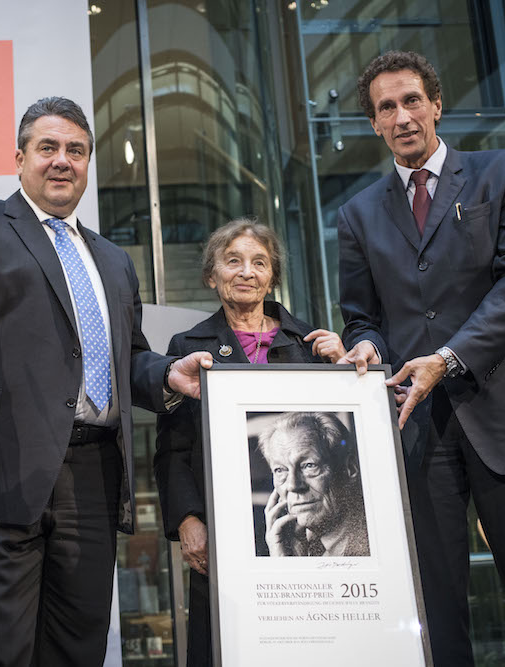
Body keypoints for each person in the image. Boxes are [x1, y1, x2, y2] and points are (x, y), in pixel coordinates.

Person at [0, 96, 212, 667]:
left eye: (76, 150)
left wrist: (167, 375)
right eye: (47, 147)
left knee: (76, 651)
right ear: (20, 157)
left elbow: (127, 357)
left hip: (94, 480)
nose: (62, 161)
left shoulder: (112, 259)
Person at [336, 51, 505, 666]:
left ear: (436, 105)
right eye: (386, 107)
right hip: (419, 431)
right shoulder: (358, 214)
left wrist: (448, 356)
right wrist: (365, 344)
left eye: (412, 100)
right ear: (373, 124)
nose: (402, 116)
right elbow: (363, 317)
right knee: (438, 618)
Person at [154, 218, 345, 666]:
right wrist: (187, 520)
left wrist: (344, 367)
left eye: (259, 263)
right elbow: (173, 450)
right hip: (223, 536)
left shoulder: (312, 345)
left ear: (272, 276)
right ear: (211, 275)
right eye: (233, 261)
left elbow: (347, 436)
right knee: (225, 646)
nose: (246, 272)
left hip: (311, 528)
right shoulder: (188, 346)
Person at [256, 412, 369, 558]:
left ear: (350, 468)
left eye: (309, 465)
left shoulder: (371, 544)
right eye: (280, 470)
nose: (293, 485)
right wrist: (285, 562)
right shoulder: (298, 545)